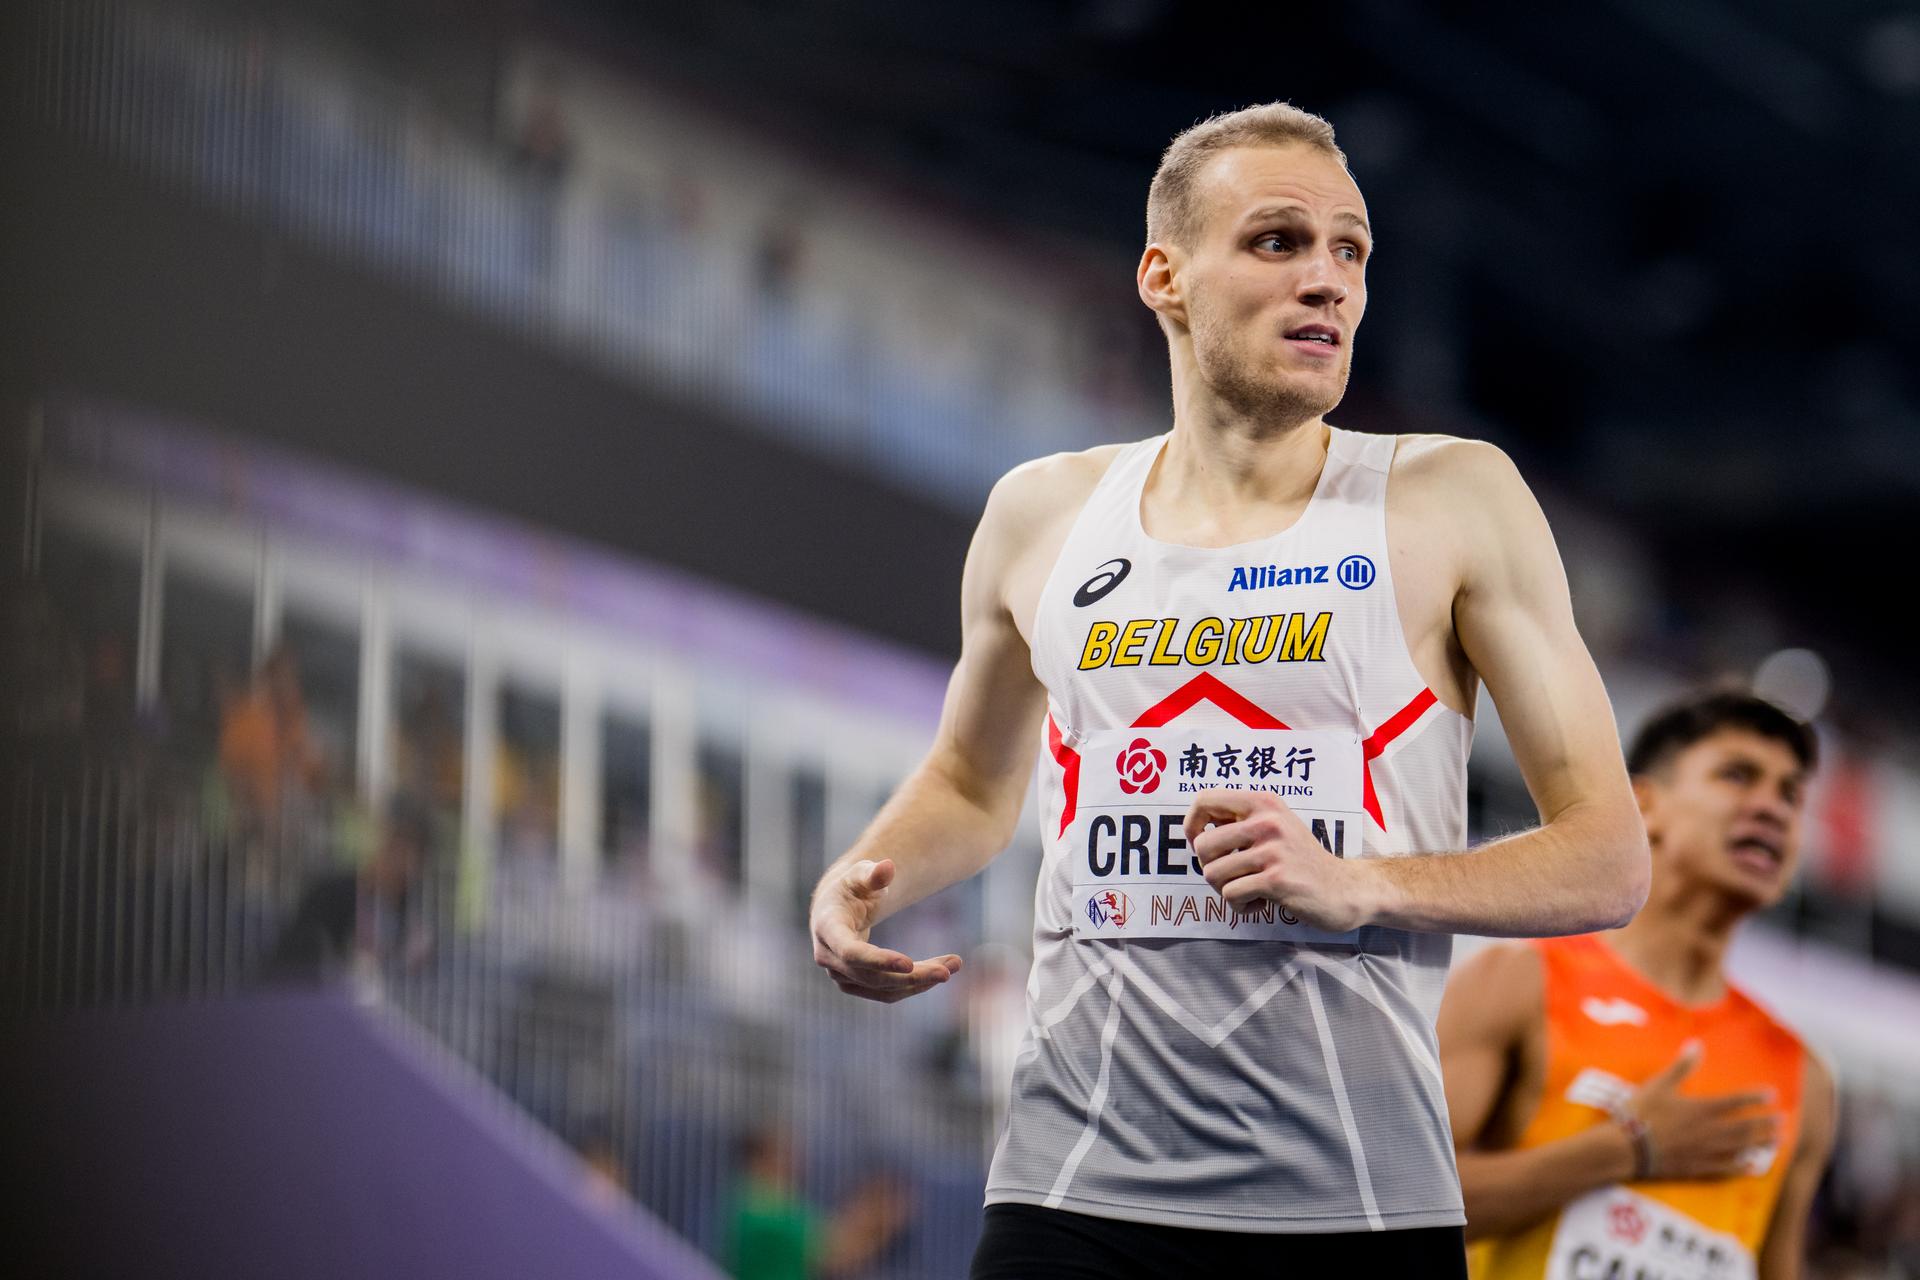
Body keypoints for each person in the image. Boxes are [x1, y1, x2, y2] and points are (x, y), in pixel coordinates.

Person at [808, 102, 1650, 1277]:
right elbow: (970, 776)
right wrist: (866, 879)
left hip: (1348, 1200)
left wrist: (1360, 881)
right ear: (1165, 275)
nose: (1329, 283)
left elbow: (1607, 855)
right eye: (1278, 242)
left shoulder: (1451, 499)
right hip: (1070, 1188)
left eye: (1350, 251)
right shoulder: (1042, 513)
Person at [1439, 691, 1835, 1279]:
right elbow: (1392, 1200)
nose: (1772, 808)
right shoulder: (1521, 982)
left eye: (1790, 794)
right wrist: (1624, 1151)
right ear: (1644, 805)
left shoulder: (1804, 1077)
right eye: (1738, 775)